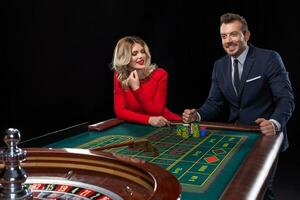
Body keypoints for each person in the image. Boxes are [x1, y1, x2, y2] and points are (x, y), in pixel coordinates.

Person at [182, 13, 295, 199]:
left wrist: (274, 122)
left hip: (265, 136)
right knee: (236, 191)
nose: (228, 41)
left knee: (262, 191)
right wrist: (197, 115)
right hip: (237, 137)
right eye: (224, 36)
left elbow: (286, 99)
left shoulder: (269, 58)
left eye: (233, 34)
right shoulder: (219, 66)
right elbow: (214, 103)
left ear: (246, 35)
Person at [112, 36, 181, 127]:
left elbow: (157, 112)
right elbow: (120, 112)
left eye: (142, 51)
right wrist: (148, 120)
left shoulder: (160, 74)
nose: (141, 56)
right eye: (134, 53)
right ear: (125, 57)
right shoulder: (120, 76)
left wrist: (136, 89)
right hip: (142, 126)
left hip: (169, 123)